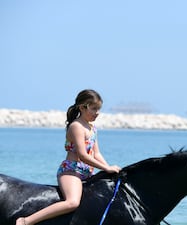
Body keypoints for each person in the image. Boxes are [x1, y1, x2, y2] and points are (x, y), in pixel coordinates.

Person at [16, 89, 121, 225]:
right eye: (94, 109)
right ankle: (26, 221)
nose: (97, 113)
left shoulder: (92, 128)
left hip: (87, 172)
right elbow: (82, 155)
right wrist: (106, 168)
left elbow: (96, 154)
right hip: (71, 172)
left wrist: (109, 169)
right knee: (72, 202)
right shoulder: (76, 127)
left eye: (99, 109)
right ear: (82, 107)